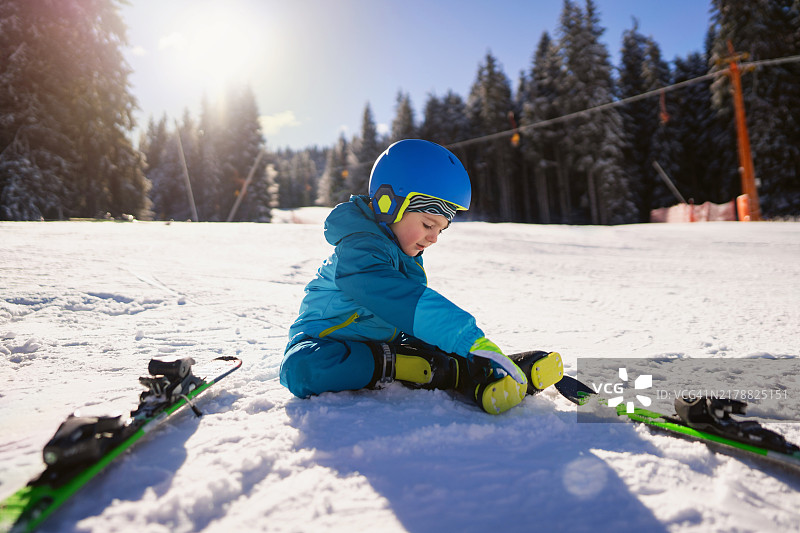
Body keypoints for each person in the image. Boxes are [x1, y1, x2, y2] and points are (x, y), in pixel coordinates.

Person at [279, 139, 563, 414]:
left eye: (441, 229)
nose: (434, 238)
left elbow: (413, 320)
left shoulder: (407, 256)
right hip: (324, 344)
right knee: (302, 369)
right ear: (389, 204)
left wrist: (469, 349)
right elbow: (403, 302)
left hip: (386, 341)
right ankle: (414, 367)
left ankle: (485, 372)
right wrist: (467, 338)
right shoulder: (359, 250)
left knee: (436, 341)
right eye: (428, 224)